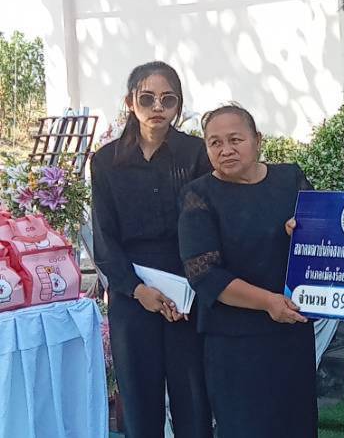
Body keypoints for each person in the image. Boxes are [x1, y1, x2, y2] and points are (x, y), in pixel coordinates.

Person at [177, 104, 316, 438]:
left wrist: (304, 232)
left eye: (235, 139)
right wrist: (268, 302)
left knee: (296, 426)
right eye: (215, 143)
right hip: (234, 343)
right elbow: (204, 274)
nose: (225, 150)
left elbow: (321, 239)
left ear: (257, 140)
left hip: (291, 333)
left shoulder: (290, 178)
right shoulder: (198, 195)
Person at [90, 61, 213, 438]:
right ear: (130, 102)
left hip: (185, 290)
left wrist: (191, 288)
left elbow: (206, 223)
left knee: (193, 397)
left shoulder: (196, 153)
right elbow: (103, 236)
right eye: (147, 98)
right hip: (131, 290)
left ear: (178, 105)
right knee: (138, 399)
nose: (157, 107)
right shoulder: (105, 161)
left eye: (168, 99)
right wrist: (136, 289)